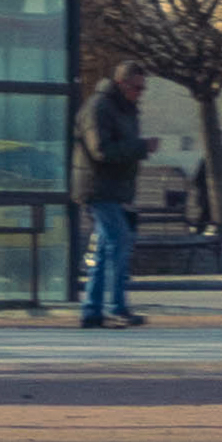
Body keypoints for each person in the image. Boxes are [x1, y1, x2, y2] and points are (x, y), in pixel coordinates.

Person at [76, 58, 150, 326]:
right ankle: (115, 307)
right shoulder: (99, 107)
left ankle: (92, 311)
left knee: (104, 249)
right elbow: (101, 150)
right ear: (121, 83)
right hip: (98, 188)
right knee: (119, 241)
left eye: (142, 88)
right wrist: (141, 148)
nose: (140, 93)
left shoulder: (124, 108)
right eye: (136, 88)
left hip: (112, 189)